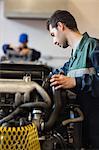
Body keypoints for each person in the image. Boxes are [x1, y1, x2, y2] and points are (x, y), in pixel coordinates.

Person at [46, 10, 99, 148]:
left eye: (53, 35)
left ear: (60, 26)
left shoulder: (93, 46)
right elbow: (58, 72)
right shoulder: (74, 58)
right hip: (82, 130)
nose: (54, 41)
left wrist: (75, 82)